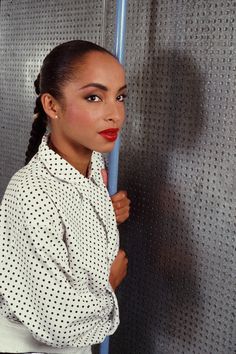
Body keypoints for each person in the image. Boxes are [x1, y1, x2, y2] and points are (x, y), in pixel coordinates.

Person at [0, 40, 130, 354]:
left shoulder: (92, 164)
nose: (115, 114)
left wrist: (99, 214)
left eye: (120, 96)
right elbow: (59, 323)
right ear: (52, 105)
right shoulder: (30, 192)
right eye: (94, 97)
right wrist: (109, 284)